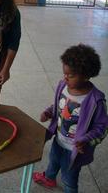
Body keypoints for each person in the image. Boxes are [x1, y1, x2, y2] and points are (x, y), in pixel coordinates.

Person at [33, 44, 108, 193]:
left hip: (74, 150)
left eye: (70, 75)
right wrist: (49, 112)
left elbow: (102, 128)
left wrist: (86, 140)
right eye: (64, 73)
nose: (65, 77)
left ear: (86, 76)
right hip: (58, 139)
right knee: (53, 161)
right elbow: (59, 105)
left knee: (69, 178)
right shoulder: (63, 86)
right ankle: (49, 178)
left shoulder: (95, 100)